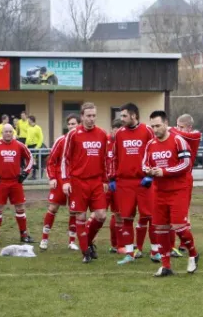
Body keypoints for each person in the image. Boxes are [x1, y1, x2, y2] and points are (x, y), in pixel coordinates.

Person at [143, 110, 199, 277]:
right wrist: (148, 171)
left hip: (178, 191)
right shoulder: (150, 144)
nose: (155, 129)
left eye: (158, 125)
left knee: (179, 227)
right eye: (152, 126)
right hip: (159, 191)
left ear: (166, 124)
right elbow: (144, 164)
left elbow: (186, 165)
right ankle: (166, 265)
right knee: (160, 228)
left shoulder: (178, 141)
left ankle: (193, 254)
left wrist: (164, 171)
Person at [112, 103, 161, 265]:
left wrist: (151, 175)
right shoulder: (119, 133)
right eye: (121, 116)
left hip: (143, 181)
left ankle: (155, 251)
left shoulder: (147, 130)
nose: (122, 119)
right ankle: (129, 253)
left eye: (125, 116)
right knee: (126, 218)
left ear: (134, 115)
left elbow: (155, 151)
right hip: (125, 182)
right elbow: (115, 158)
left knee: (151, 216)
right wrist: (112, 178)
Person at [61, 102, 109, 263]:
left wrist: (105, 179)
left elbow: (105, 159)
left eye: (94, 115)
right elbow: (65, 159)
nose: (91, 119)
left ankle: (87, 242)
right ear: (82, 116)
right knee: (80, 216)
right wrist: (65, 181)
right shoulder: (73, 134)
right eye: (88, 116)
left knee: (101, 215)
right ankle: (85, 252)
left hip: (96, 181)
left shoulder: (102, 134)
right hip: (78, 181)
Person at [0, 124, 35, 245]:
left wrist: (25, 173)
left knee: (20, 207)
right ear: (2, 133)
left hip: (16, 182)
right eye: (6, 131)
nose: (8, 134)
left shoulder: (19, 145)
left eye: (10, 131)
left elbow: (30, 158)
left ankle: (24, 235)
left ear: (13, 133)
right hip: (0, 182)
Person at [39, 114, 81, 252]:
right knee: (53, 208)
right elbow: (50, 161)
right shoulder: (61, 141)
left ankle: (71, 241)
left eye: (73, 124)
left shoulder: (82, 141)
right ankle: (44, 239)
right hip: (59, 180)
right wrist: (52, 178)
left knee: (74, 211)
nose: (71, 126)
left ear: (79, 125)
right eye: (69, 124)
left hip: (75, 181)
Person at [169, 113, 202, 256]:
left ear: (189, 127)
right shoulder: (178, 134)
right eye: (177, 126)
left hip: (185, 177)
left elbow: (176, 133)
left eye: (181, 126)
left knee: (183, 211)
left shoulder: (194, 135)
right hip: (174, 176)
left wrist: (169, 128)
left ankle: (183, 244)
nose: (178, 129)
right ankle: (172, 245)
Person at [104, 119, 124, 254]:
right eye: (114, 130)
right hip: (104, 184)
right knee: (98, 214)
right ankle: (88, 242)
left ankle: (117, 245)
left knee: (118, 214)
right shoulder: (104, 141)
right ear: (111, 130)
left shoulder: (122, 143)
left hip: (118, 184)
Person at [25, 115, 44, 180]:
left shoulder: (38, 128)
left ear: (31, 120)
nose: (27, 121)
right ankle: (33, 175)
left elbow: (41, 138)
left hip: (36, 146)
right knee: (32, 161)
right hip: (29, 146)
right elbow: (28, 137)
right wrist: (26, 145)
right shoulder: (28, 128)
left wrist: (37, 147)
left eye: (28, 119)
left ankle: (40, 174)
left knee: (36, 161)